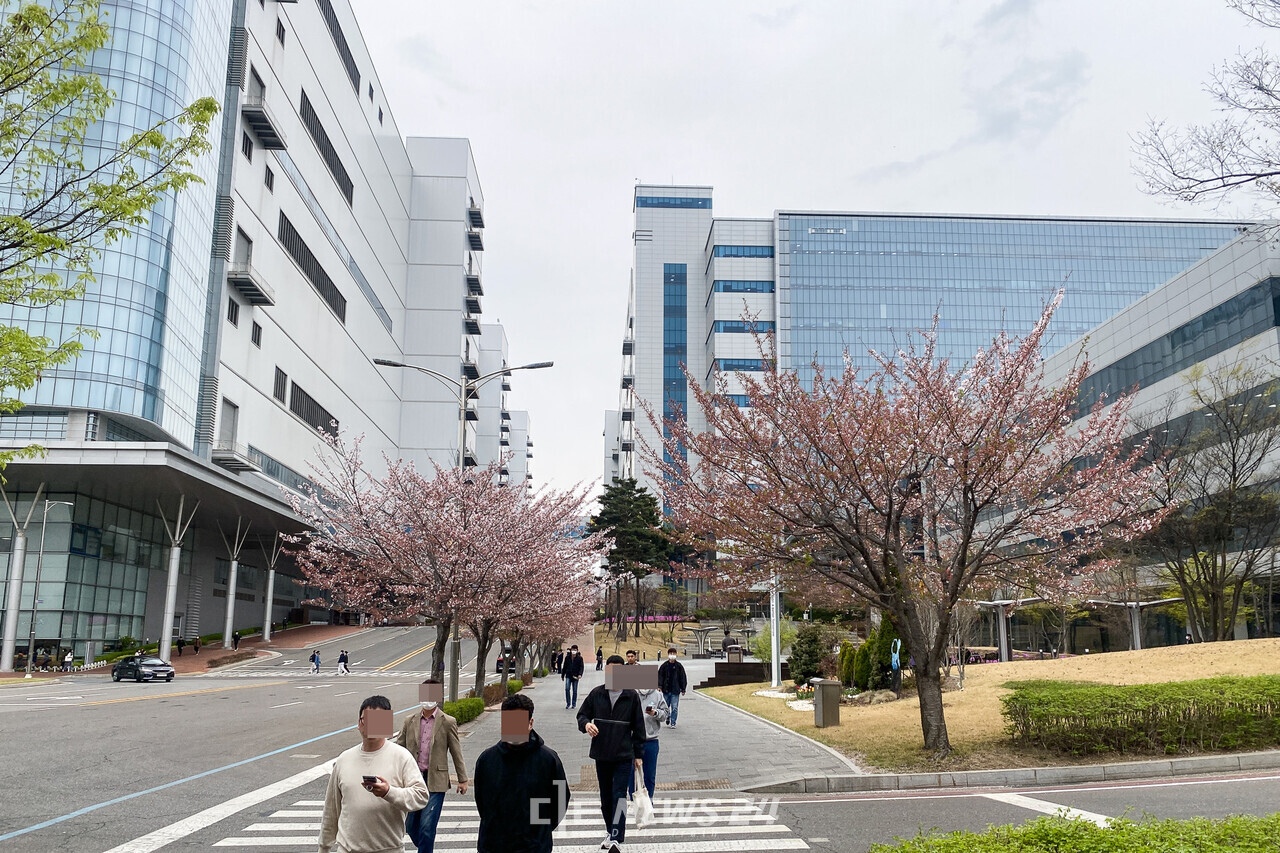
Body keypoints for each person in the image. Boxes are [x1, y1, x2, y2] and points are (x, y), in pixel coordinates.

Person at [318, 695, 431, 853]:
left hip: (389, 849)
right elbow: (331, 810)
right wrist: (323, 847)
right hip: (347, 849)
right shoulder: (344, 759)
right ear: (359, 724)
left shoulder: (401, 757)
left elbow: (421, 796)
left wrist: (389, 792)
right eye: (367, 720)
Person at [475, 693, 569, 853]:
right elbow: (481, 802)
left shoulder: (549, 760)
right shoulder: (487, 760)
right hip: (493, 844)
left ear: (530, 723)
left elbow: (561, 799)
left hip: (534, 845)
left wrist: (542, 829)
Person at [577, 655, 646, 852]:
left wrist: (638, 754)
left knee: (619, 795)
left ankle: (617, 836)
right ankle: (610, 830)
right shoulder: (596, 694)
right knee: (606, 798)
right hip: (602, 754)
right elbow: (581, 715)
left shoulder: (631, 696)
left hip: (624, 755)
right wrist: (587, 724)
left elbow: (639, 727)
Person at [392, 679, 468, 853]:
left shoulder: (448, 722)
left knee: (427, 827)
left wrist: (462, 779)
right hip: (413, 779)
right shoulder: (409, 721)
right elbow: (398, 749)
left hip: (436, 780)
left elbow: (456, 751)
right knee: (411, 826)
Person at [628, 682, 669, 802]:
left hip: (651, 739)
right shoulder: (631, 693)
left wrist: (655, 713)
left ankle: (649, 800)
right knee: (631, 774)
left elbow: (665, 714)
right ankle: (633, 800)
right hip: (632, 740)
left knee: (650, 775)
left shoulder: (657, 695)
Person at [658, 647, 687, 729]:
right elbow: (660, 676)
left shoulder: (679, 666)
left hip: (675, 690)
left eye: (674, 653)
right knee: (665, 707)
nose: (672, 655)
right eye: (671, 653)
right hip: (666, 690)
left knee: (674, 707)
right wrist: (659, 686)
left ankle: (673, 722)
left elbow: (682, 678)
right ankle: (668, 716)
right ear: (668, 655)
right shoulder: (664, 666)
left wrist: (683, 688)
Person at [562, 644, 584, 709]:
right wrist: (563, 675)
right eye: (572, 650)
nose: (574, 651)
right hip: (568, 675)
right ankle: (568, 703)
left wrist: (580, 674)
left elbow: (581, 667)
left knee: (575, 690)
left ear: (577, 651)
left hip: (575, 676)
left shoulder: (579, 658)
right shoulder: (567, 657)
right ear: (571, 650)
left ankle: (573, 703)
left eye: (575, 650)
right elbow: (564, 666)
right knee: (567, 689)